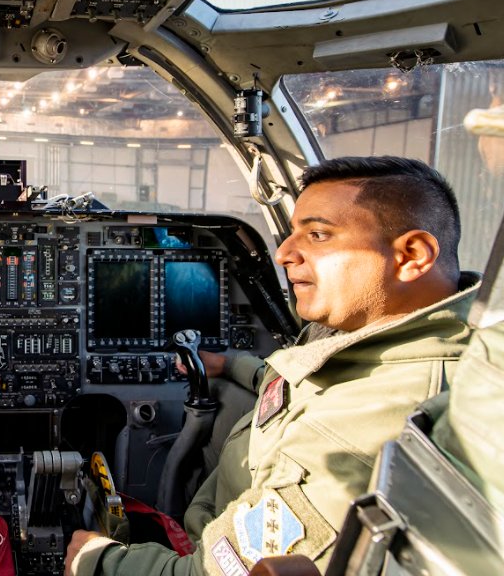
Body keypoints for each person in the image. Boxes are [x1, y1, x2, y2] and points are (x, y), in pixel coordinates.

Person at [65, 156, 480, 576]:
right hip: (210, 518)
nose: (282, 254)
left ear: (412, 255)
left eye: (318, 234)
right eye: (292, 233)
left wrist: (97, 561)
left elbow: (210, 573)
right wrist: (228, 364)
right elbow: (295, 383)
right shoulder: (379, 342)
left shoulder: (354, 439)